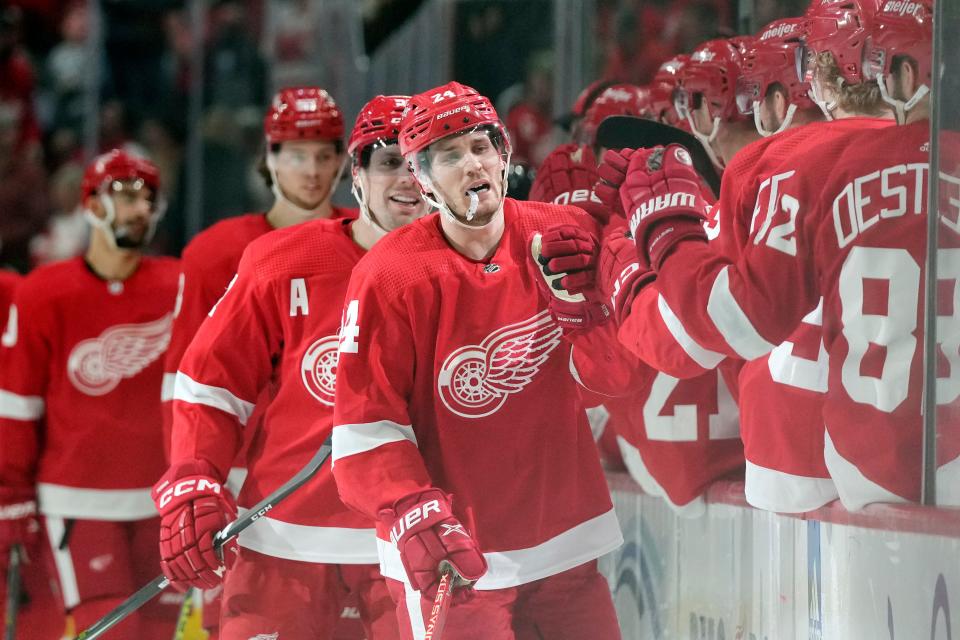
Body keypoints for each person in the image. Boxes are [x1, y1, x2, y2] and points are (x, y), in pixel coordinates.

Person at [598, 0, 959, 511]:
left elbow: (700, 334)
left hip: (812, 462)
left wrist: (638, 247)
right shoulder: (932, 151)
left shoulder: (788, 168)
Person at [331, 82, 623, 639]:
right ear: (421, 178)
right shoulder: (388, 276)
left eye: (481, 147)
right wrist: (409, 507)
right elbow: (365, 426)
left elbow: (616, 381)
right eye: (448, 155)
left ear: (505, 155)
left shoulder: (562, 237)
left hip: (565, 540)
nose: (471, 166)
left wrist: (589, 317)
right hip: (455, 558)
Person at [153, 95, 428, 640]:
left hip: (410, 545)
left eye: (421, 160)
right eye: (390, 161)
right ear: (357, 174)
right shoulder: (282, 259)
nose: (408, 178)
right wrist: (193, 478)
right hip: (280, 541)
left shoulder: (467, 266)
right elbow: (210, 382)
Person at [0, 149, 180, 638]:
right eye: (125, 196)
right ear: (91, 205)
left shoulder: (180, 286)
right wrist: (11, 497)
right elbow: (17, 406)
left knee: (159, 633)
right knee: (112, 631)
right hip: (78, 503)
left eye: (148, 199)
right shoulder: (44, 293)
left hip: (163, 499)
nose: (139, 209)